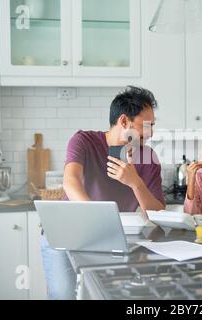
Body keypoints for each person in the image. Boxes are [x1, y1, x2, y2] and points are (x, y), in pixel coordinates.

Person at [40, 86, 166, 299]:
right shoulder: (84, 141)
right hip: (65, 233)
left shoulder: (147, 156)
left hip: (110, 239)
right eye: (147, 125)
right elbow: (70, 183)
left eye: (153, 125)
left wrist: (135, 183)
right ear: (124, 121)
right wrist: (97, 218)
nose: (151, 133)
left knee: (105, 294)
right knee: (64, 295)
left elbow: (157, 213)